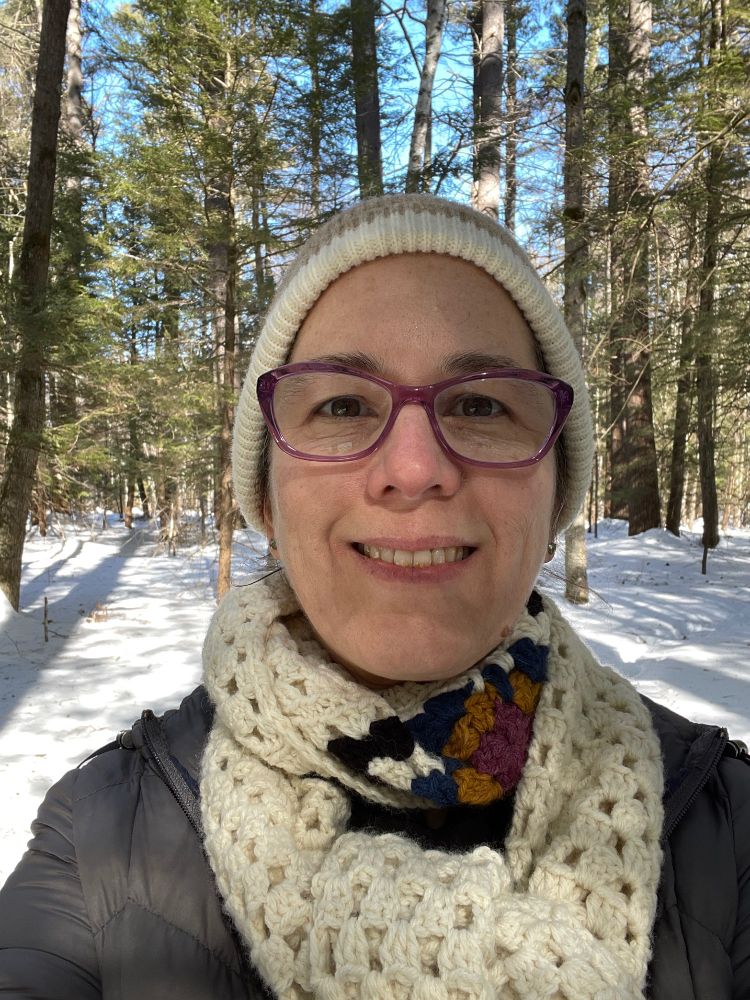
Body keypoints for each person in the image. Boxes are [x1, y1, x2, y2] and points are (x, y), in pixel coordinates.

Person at [0, 194, 748, 1000]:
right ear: (270, 493)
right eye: (344, 405)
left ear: (555, 488)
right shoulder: (101, 844)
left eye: (481, 404)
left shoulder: (725, 829)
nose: (416, 467)